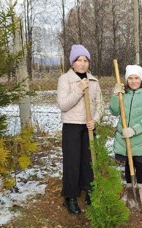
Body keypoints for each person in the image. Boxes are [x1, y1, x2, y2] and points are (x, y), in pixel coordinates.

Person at [57, 44, 103, 214]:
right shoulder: (65, 79)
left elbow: (100, 105)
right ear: (72, 63)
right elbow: (63, 105)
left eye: (85, 60)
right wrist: (78, 89)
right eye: (79, 60)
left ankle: (88, 190)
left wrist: (95, 120)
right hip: (71, 126)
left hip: (88, 127)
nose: (82, 64)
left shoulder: (94, 80)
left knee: (88, 161)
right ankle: (70, 196)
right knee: (72, 163)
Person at [110, 65, 142, 204]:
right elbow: (114, 111)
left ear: (141, 79)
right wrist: (115, 95)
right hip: (124, 137)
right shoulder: (124, 93)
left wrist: (134, 130)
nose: (133, 81)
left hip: (139, 136)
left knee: (140, 164)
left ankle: (140, 188)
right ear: (126, 79)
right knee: (129, 163)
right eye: (130, 78)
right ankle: (129, 188)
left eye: (136, 78)